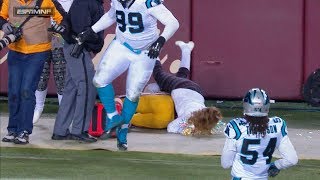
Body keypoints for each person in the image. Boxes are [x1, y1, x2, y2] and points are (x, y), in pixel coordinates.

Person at [77, 0, 179, 150]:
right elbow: (112, 16)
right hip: (122, 45)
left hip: (145, 51)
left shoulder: (147, 2)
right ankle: (113, 117)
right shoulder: (118, 2)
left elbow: (173, 22)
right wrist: (91, 30)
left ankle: (122, 131)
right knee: (99, 80)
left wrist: (160, 41)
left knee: (132, 94)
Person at [0, 0, 63, 144]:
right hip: (15, 51)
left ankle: (24, 131)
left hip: (38, 52)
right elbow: (1, 16)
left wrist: (57, 32)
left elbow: (62, 19)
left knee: (27, 90)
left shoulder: (47, 1)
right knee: (14, 91)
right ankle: (13, 129)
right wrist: (4, 25)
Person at [142, 41, 223, 136]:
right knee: (158, 74)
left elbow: (214, 121)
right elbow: (171, 128)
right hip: (180, 88)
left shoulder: (206, 114)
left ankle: (186, 49)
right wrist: (187, 131)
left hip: (196, 91)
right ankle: (153, 49)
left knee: (182, 75)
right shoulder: (188, 116)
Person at [51, 0, 104, 143]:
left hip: (75, 47)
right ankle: (80, 130)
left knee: (71, 88)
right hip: (78, 47)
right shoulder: (84, 1)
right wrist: (96, 44)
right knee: (87, 86)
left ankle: (60, 130)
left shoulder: (92, 2)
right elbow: (82, 30)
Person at [221, 88, 298, 179]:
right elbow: (291, 160)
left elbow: (226, 164)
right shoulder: (278, 125)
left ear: (246, 106)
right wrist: (276, 165)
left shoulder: (236, 127)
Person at [33, 0, 73, 124]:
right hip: (41, 36)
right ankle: (38, 107)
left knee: (60, 74)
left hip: (61, 38)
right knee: (41, 73)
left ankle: (63, 113)